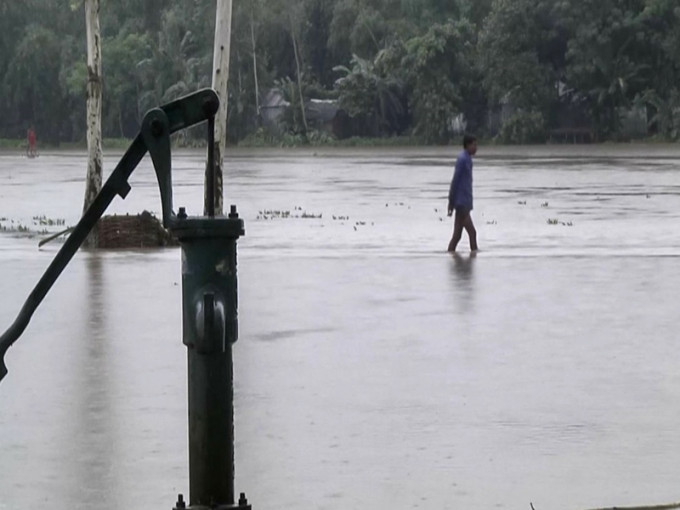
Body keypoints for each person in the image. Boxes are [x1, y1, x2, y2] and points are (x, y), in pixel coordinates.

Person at [447, 134, 478, 253]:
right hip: (461, 203)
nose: (476, 148)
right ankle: (473, 259)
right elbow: (455, 180)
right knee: (472, 233)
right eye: (474, 145)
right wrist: (451, 201)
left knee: (457, 236)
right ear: (468, 145)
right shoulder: (462, 159)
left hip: (464, 201)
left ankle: (451, 257)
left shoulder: (468, 159)